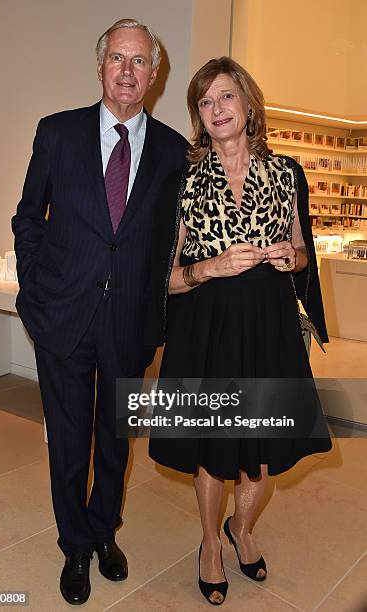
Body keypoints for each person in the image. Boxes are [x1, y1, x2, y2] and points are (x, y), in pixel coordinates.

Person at [12, 19, 187, 606]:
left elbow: (172, 241)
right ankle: (75, 546)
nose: (128, 71)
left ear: (154, 74)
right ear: (100, 65)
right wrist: (35, 286)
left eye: (140, 61)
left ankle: (104, 532)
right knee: (68, 439)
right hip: (62, 316)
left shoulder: (173, 152)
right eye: (118, 58)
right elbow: (28, 217)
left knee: (115, 440)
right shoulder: (57, 133)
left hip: (130, 324)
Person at [147, 57, 332, 605]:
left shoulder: (286, 173)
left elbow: (304, 255)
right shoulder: (182, 178)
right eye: (205, 102)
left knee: (266, 445)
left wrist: (288, 258)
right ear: (198, 115)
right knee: (212, 446)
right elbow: (166, 276)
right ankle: (210, 542)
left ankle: (241, 529)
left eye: (226, 96)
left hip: (269, 324)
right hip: (205, 327)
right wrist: (211, 267)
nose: (216, 109)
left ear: (249, 105)